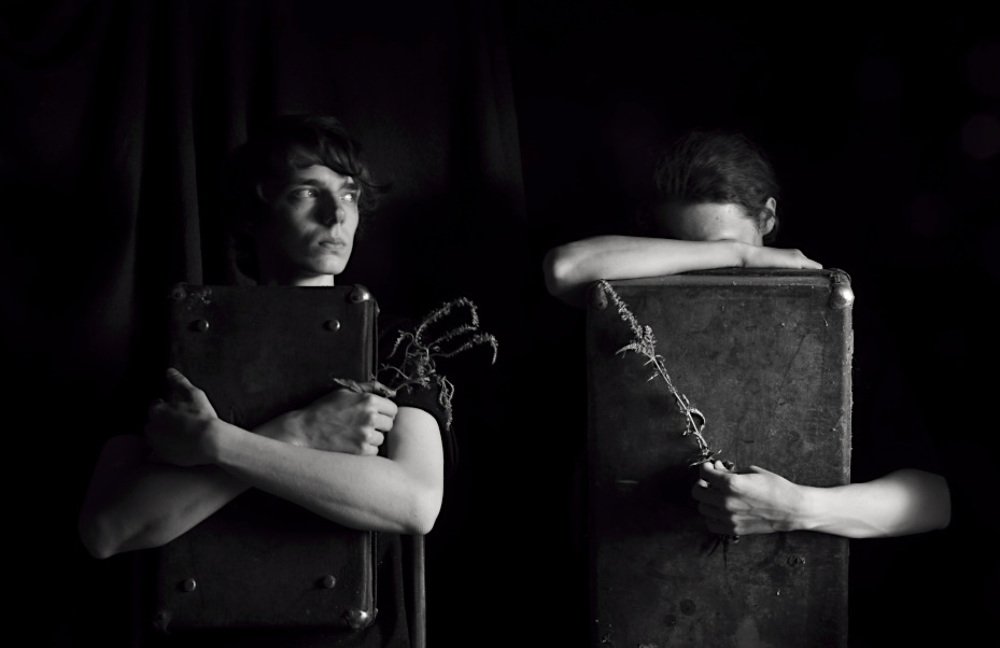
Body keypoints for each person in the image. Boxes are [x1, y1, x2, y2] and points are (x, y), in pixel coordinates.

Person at [78, 115, 446, 647]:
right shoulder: (180, 348)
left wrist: (217, 444)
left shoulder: (395, 345)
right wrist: (298, 431)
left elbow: (414, 502)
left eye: (348, 194)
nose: (336, 214)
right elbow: (107, 530)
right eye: (306, 192)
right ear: (254, 213)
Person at [543, 130, 951, 539]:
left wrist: (797, 509)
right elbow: (564, 269)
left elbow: (935, 500)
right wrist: (739, 253)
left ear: (767, 219)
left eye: (725, 247)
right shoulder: (635, 313)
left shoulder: (830, 322)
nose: (711, 273)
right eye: (690, 253)